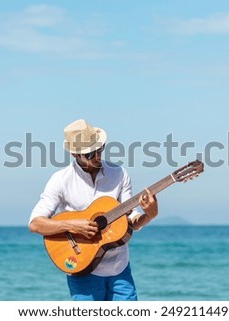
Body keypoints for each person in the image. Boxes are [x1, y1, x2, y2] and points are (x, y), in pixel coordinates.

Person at [28, 119, 158, 301]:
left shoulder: (119, 174)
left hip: (119, 268)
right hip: (82, 267)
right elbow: (35, 224)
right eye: (89, 154)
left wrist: (148, 216)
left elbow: (131, 222)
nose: (97, 156)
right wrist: (72, 226)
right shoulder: (60, 180)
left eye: (100, 149)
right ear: (75, 154)